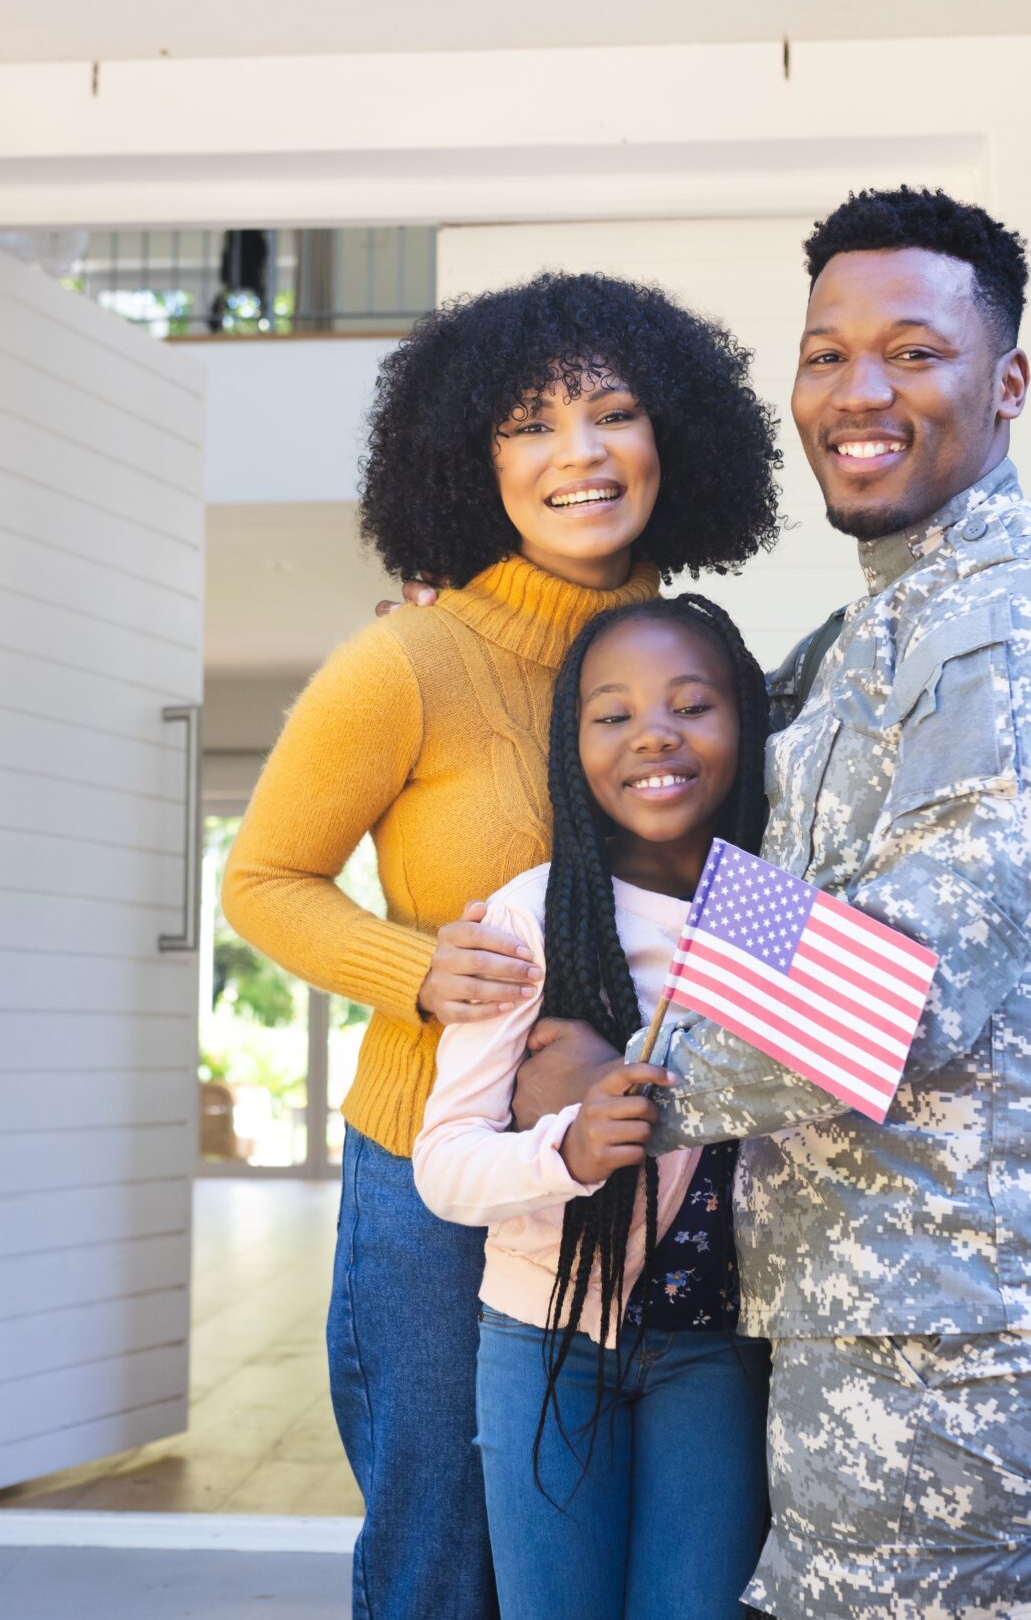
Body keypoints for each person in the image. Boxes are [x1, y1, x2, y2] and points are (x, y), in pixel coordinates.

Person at [544, 187, 1031, 1620]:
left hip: (960, 1295)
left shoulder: (1026, 619)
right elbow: (756, 897)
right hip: (873, 1277)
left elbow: (887, 988)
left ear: (1006, 383)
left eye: (913, 351)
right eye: (827, 353)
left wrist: (634, 1078)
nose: (859, 392)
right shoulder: (871, 635)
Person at [220, 271, 784, 1620]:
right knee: (443, 1553)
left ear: (676, 439)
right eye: (529, 424)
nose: (577, 454)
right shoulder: (409, 659)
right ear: (472, 460)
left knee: (649, 1565)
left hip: (660, 1191)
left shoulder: (707, 669)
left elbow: (762, 897)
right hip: (438, 1172)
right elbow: (264, 879)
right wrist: (414, 971)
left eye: (613, 412)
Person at [411, 595, 776, 1620]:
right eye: (611, 714)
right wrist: (565, 1149)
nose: (653, 732)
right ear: (572, 748)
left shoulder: (771, 911)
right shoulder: (533, 913)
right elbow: (443, 1162)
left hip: (714, 1345)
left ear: (744, 724)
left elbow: (904, 1031)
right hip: (543, 1340)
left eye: (691, 705)